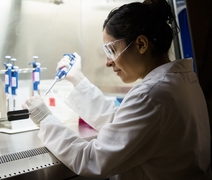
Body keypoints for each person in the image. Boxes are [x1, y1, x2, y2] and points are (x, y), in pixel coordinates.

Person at [22, 0, 212, 179]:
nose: (107, 62)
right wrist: (77, 79)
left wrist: (44, 119)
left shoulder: (152, 95)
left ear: (141, 44)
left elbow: (92, 160)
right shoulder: (180, 82)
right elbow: (124, 126)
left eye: (111, 50)